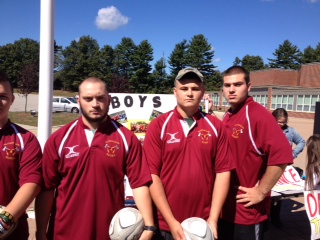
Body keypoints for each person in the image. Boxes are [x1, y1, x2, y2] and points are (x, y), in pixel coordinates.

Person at [35, 77, 155, 240]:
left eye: (100, 98)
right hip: (64, 232)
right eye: (88, 98)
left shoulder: (126, 138)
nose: (95, 104)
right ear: (78, 101)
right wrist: (41, 231)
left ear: (109, 100)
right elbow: (47, 188)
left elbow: (139, 183)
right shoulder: (59, 139)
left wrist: (149, 226)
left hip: (110, 233)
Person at [143, 67, 234, 240]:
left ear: (203, 92)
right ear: (175, 92)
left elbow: (223, 172)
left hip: (204, 223)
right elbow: (151, 175)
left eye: (195, 88)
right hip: (166, 223)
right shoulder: (159, 125)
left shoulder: (216, 126)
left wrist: (213, 218)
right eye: (184, 89)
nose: (190, 93)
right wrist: (171, 222)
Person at [218, 66, 293, 240]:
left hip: (247, 214)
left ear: (249, 86)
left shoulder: (257, 114)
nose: (231, 89)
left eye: (237, 84)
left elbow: (282, 155)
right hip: (226, 209)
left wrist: (261, 191)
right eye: (227, 85)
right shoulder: (229, 114)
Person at [0, 70, 42, 240]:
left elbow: (32, 183)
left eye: (3, 96)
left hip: (12, 233)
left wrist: (3, 221)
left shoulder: (26, 139)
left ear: (12, 100)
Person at [270, 107, 305, 227]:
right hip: (269, 166)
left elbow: (301, 141)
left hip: (284, 168)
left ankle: (275, 218)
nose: (281, 124)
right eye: (279, 122)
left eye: (284, 122)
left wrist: (294, 154)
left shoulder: (290, 131)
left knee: (278, 195)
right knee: (268, 192)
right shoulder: (268, 129)